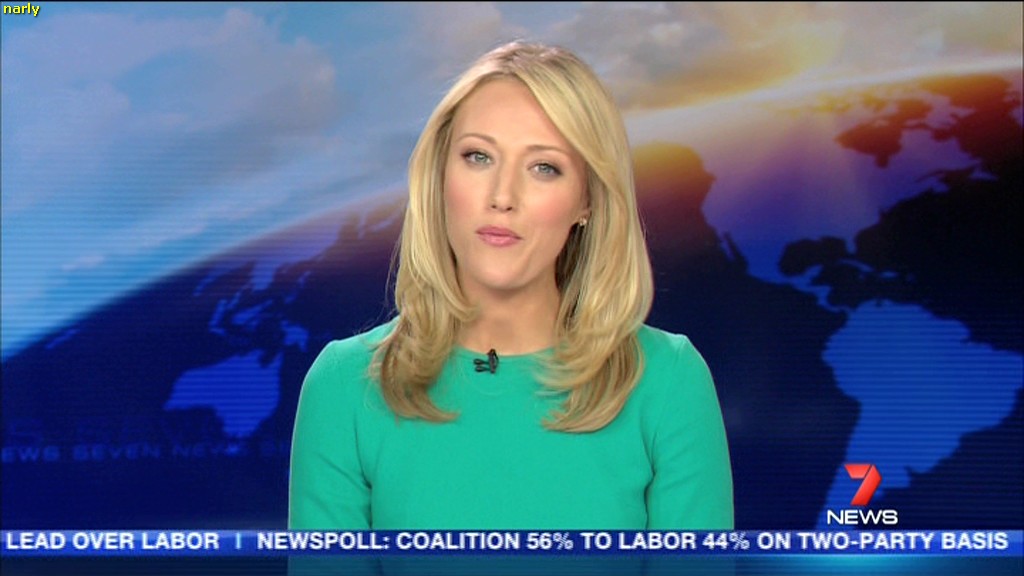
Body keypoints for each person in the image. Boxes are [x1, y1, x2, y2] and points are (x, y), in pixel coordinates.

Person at [288, 39, 734, 530]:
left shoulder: (667, 382)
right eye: (478, 157)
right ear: (440, 176)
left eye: (544, 167)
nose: (502, 196)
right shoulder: (344, 387)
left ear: (587, 200)